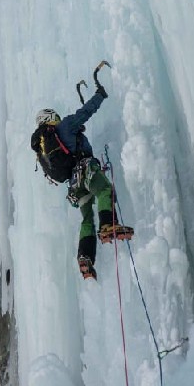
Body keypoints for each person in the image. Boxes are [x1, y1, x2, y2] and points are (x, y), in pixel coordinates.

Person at [32, 85, 133, 280]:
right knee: (105, 190)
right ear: (51, 118)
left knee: (87, 219)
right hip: (85, 170)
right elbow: (85, 112)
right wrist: (100, 95)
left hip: (74, 186)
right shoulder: (65, 126)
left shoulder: (42, 148)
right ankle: (107, 225)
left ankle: (85, 257)